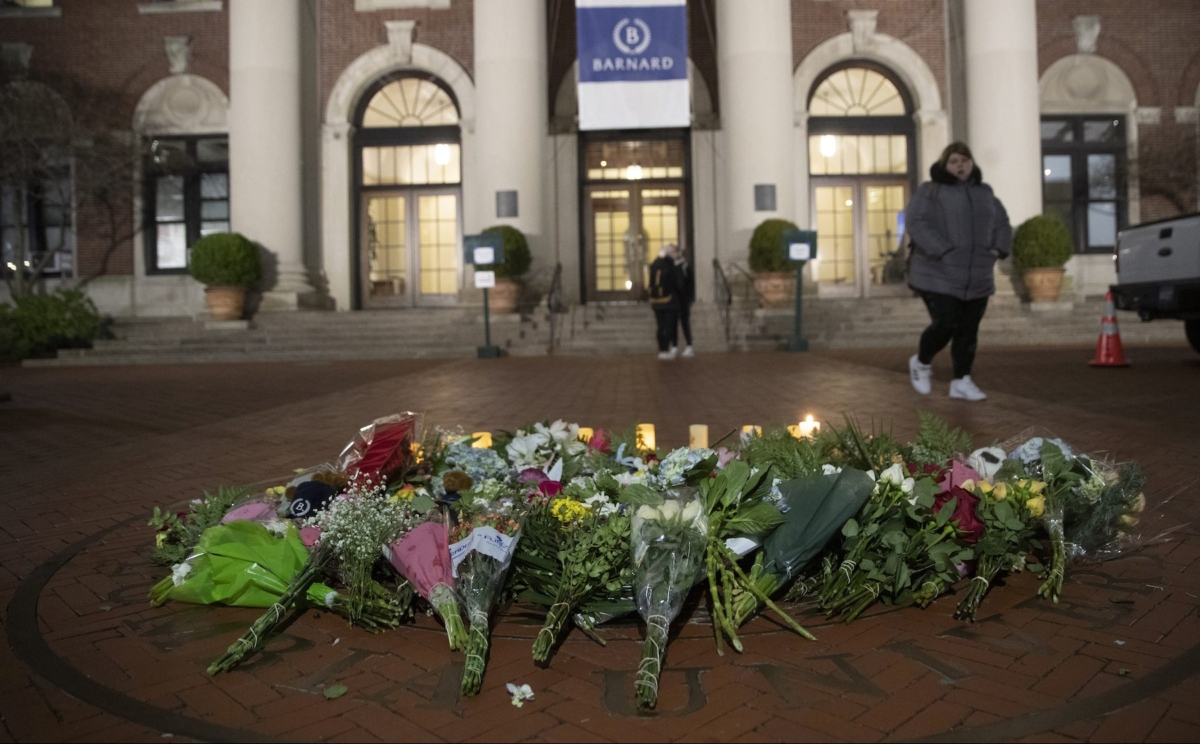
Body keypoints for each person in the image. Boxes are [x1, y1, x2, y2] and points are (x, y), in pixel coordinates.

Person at [905, 142, 1012, 402]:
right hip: (937, 273)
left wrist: (998, 249)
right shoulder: (930, 191)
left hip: (977, 275)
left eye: (964, 160)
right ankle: (921, 362)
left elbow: (1001, 223)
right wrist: (942, 249)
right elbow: (916, 222)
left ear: (972, 164)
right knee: (946, 324)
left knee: (968, 330)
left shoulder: (985, 193)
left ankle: (961, 380)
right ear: (945, 165)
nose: (960, 165)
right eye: (954, 161)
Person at [649, 244, 680, 360]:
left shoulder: (654, 264)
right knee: (667, 326)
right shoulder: (669, 264)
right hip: (668, 300)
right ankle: (666, 349)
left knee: (660, 326)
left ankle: (661, 350)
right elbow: (675, 282)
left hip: (656, 301)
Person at [672, 245, 696, 358]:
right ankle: (674, 346)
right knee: (673, 324)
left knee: (684, 323)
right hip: (673, 300)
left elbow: (689, 282)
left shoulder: (684, 265)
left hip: (683, 300)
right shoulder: (670, 266)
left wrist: (688, 298)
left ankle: (689, 346)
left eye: (673, 252)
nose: (671, 254)